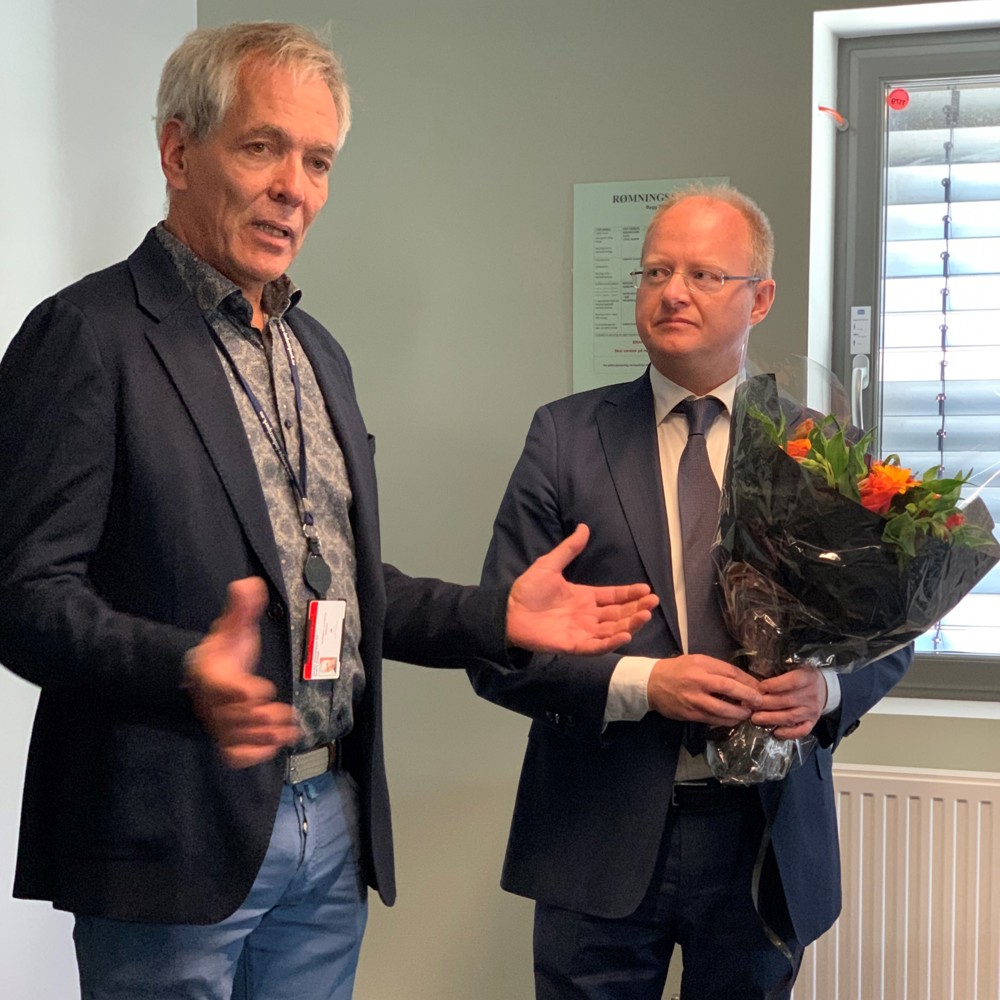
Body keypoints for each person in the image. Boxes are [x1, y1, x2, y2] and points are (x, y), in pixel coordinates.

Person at [0, 22, 658, 1000]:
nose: (294, 188)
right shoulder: (89, 336)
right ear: (179, 152)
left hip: (331, 817)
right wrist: (182, 668)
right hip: (171, 837)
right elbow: (24, 595)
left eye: (317, 161)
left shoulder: (317, 351)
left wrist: (496, 617)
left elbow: (347, 586)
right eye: (263, 147)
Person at [471, 184, 912, 999]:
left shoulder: (822, 450)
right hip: (595, 835)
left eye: (705, 275)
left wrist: (828, 688)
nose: (673, 292)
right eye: (656, 272)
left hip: (762, 839)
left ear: (760, 297)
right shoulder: (564, 439)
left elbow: (890, 634)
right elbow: (499, 648)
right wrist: (645, 685)